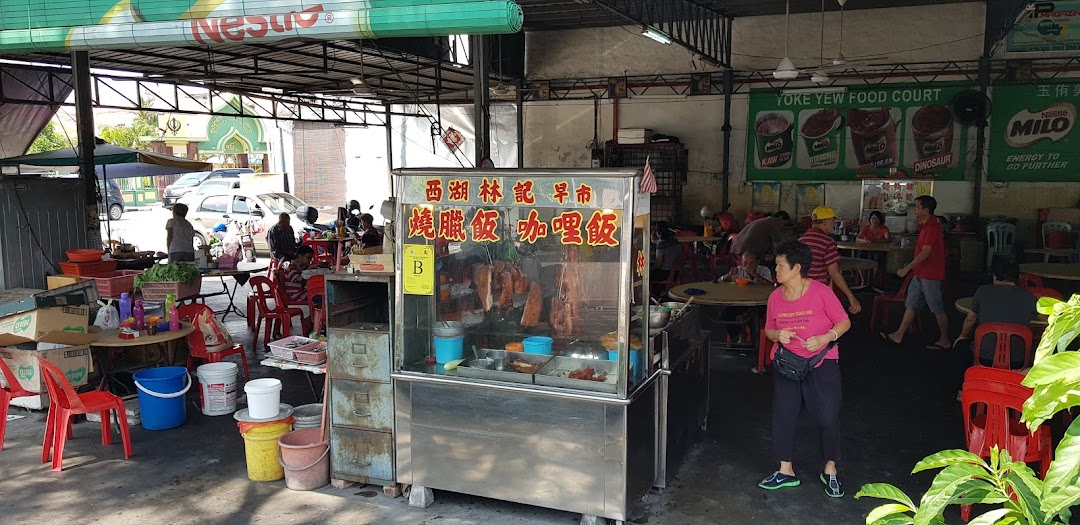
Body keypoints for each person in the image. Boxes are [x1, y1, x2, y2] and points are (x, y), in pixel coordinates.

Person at [759, 241, 851, 498]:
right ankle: (785, 470)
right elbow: (768, 329)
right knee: (784, 415)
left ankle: (830, 469)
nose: (775, 270)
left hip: (822, 362)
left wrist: (826, 337)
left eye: (780, 265)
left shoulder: (821, 292)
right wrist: (779, 334)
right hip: (787, 363)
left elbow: (844, 322)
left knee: (827, 416)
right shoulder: (775, 297)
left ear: (796, 268)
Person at [950, 258, 1038, 387]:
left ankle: (963, 389)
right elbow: (1044, 319)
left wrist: (962, 336)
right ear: (1018, 277)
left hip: (983, 358)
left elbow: (970, 320)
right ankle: (1016, 385)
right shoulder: (1029, 296)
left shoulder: (982, 291)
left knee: (960, 346)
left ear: (994, 276)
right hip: (1017, 360)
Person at [882, 196, 950, 350]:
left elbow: (926, 252)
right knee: (911, 304)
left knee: (937, 308)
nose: (915, 210)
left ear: (926, 210)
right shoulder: (927, 226)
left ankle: (945, 339)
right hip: (920, 273)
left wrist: (907, 268)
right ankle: (899, 334)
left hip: (930, 274)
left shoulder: (932, 228)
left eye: (917, 208)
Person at [798, 207, 861, 314]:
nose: (834, 225)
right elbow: (834, 273)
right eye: (833, 221)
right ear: (825, 222)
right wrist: (851, 296)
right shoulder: (827, 242)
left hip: (798, 291)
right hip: (816, 292)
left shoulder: (800, 241)